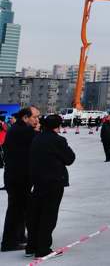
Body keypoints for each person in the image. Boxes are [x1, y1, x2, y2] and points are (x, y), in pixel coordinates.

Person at [27, 114, 75, 259]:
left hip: (38, 181)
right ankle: (43, 249)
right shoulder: (58, 140)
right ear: (57, 126)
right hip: (54, 182)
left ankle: (32, 245)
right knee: (49, 215)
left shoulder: (37, 138)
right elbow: (69, 159)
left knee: (36, 214)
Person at [2, 106, 40, 252]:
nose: (37, 120)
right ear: (25, 117)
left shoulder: (18, 128)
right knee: (16, 210)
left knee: (21, 209)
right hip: (18, 177)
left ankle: (18, 236)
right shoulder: (23, 131)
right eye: (35, 117)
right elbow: (39, 141)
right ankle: (9, 242)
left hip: (17, 176)